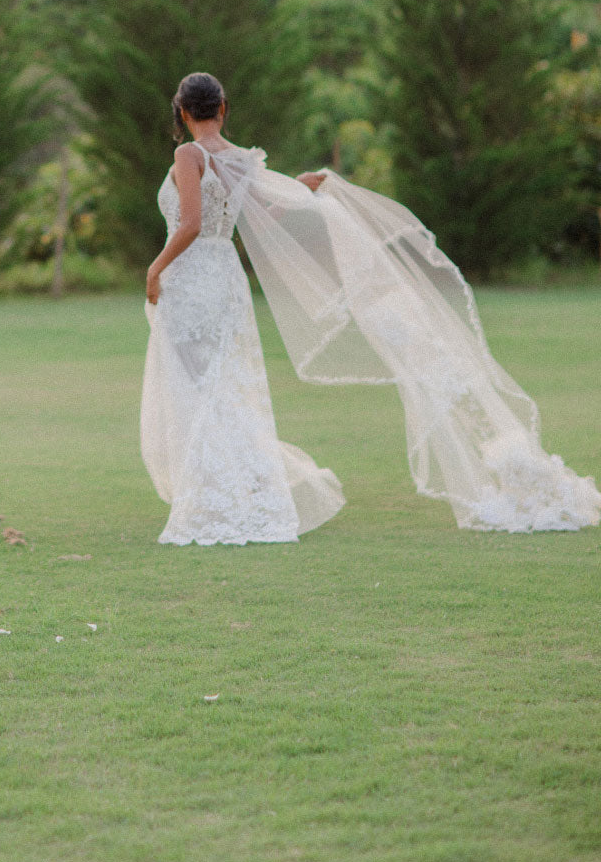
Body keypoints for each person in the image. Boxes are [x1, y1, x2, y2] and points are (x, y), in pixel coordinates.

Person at [142, 72, 601, 545]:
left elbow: (192, 223)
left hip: (194, 277)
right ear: (222, 109)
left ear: (182, 112)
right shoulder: (240, 159)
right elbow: (261, 214)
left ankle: (216, 494)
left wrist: (155, 269)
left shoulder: (187, 154)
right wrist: (301, 187)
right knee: (223, 384)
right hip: (226, 282)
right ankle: (241, 488)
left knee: (198, 386)